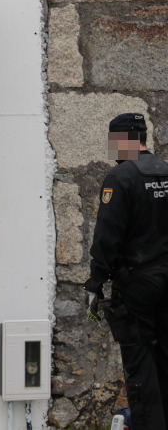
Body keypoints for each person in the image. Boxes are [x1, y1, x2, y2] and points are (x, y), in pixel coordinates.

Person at [84, 113, 168, 430]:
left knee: (140, 366)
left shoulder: (121, 177)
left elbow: (108, 236)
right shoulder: (164, 170)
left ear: (122, 140)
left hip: (137, 283)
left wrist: (95, 282)